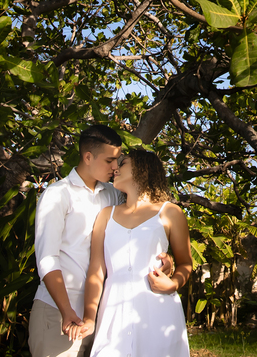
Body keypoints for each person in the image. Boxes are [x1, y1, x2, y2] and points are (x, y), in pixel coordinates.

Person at [30, 125, 142, 357]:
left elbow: (135, 237)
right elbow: (47, 259)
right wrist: (66, 310)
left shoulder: (113, 195)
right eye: (110, 160)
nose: (115, 167)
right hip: (58, 312)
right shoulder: (57, 195)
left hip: (103, 317)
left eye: (118, 160)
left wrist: (166, 259)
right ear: (88, 156)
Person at [70, 150, 193, 357]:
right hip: (113, 314)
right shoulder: (105, 215)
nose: (115, 168)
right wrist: (90, 317)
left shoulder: (170, 212)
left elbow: (185, 264)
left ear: (143, 169)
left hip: (158, 311)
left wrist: (173, 284)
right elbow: (97, 270)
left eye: (123, 163)